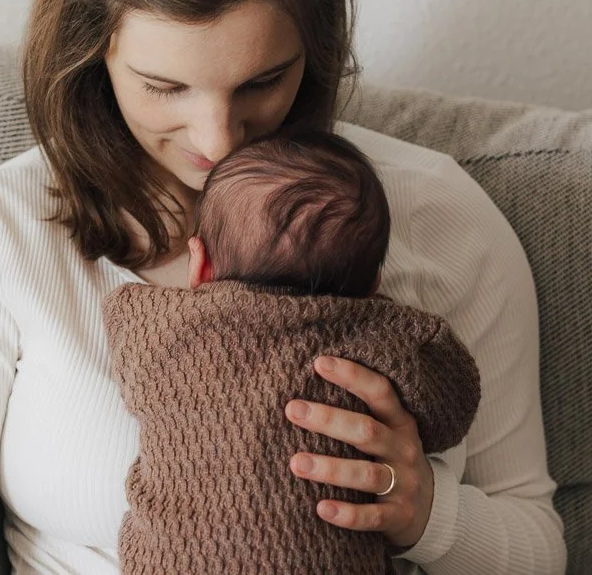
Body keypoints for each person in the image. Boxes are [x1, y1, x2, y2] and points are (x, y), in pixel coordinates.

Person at [0, 0, 568, 573]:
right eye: (164, 86)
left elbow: (538, 545)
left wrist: (428, 513)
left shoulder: (439, 216)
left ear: (316, 46)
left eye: (264, 80)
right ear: (92, 46)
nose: (217, 138)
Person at [103, 129, 483, 574]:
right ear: (375, 283)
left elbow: (121, 313)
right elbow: (453, 410)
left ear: (200, 263)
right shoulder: (386, 335)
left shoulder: (153, 323)